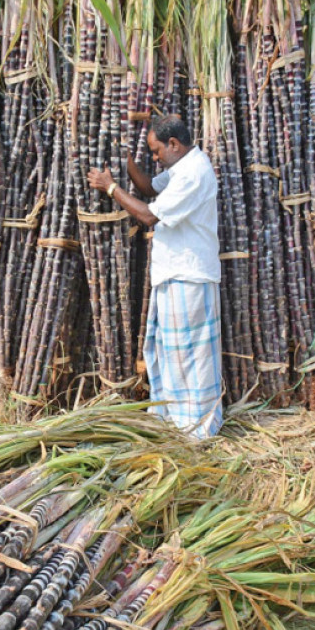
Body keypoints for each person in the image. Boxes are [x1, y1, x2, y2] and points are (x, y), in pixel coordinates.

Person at [86, 115, 223, 439]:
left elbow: (148, 214)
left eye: (157, 150)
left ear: (174, 144)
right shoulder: (181, 170)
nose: (156, 157)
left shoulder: (194, 173)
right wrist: (127, 159)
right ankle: (176, 422)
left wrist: (110, 187)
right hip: (175, 275)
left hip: (189, 276)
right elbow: (148, 187)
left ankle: (198, 428)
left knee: (191, 357)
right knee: (169, 353)